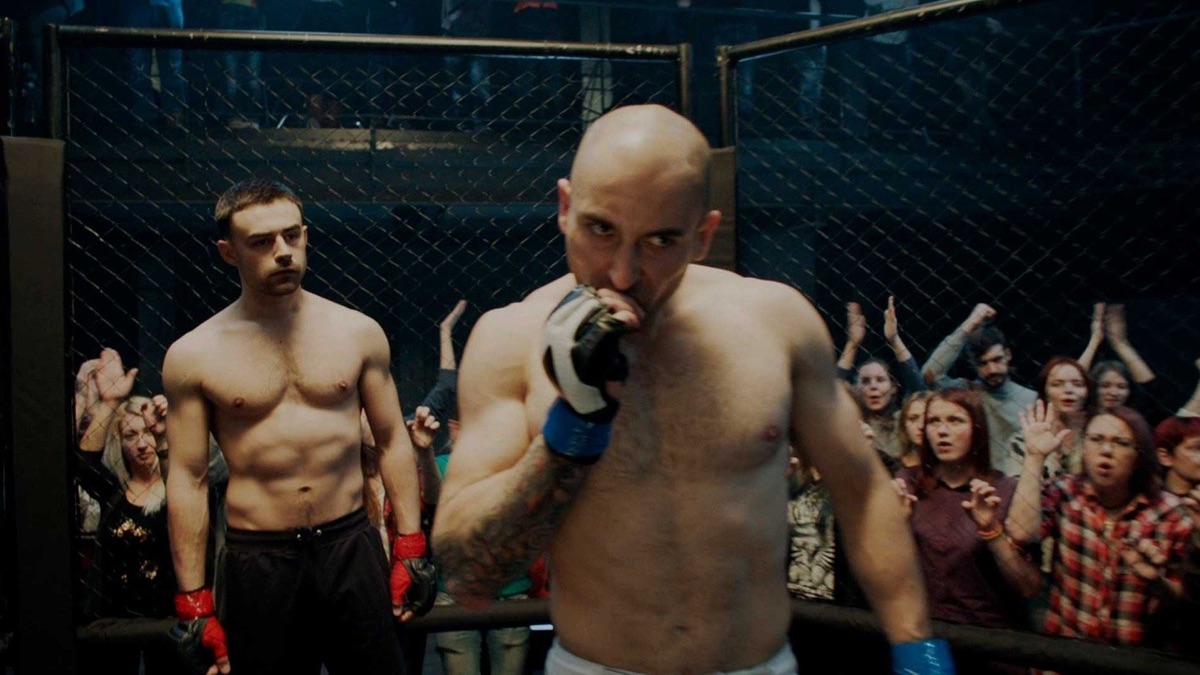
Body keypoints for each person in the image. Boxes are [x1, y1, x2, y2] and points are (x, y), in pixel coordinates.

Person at [431, 104, 951, 674]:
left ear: (703, 235)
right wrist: (573, 427)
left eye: (660, 240)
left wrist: (919, 654)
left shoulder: (777, 322)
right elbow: (467, 573)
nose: (623, 273)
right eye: (601, 230)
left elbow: (863, 492)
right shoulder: (510, 339)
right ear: (564, 208)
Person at [163, 178, 435, 675]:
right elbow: (188, 477)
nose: (283, 251)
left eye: (291, 235)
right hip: (259, 557)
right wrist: (193, 600)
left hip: (350, 544)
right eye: (262, 242)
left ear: (306, 236)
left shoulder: (357, 332)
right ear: (229, 253)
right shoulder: (194, 355)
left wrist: (411, 546)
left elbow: (392, 439)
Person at [1006, 404, 1193, 647]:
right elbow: (1020, 532)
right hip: (1066, 651)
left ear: (1139, 455)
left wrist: (1157, 582)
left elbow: (1186, 601)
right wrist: (1034, 456)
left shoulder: (1170, 513)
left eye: (1121, 443)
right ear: (1083, 448)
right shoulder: (1065, 492)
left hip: (1136, 656)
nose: (1106, 450)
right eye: (1096, 439)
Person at [892, 389, 1039, 674]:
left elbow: (1029, 586)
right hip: (927, 639)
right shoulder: (908, 483)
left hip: (989, 643)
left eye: (955, 420)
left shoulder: (1004, 489)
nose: (942, 431)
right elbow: (889, 573)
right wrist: (897, 526)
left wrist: (991, 531)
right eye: (933, 421)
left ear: (977, 428)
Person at [923, 303, 1038, 470]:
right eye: (983, 363)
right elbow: (930, 374)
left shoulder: (1032, 399)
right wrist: (970, 323)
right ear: (973, 365)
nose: (992, 370)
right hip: (975, 477)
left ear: (1008, 355)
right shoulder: (967, 393)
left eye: (997, 360)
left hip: (1018, 479)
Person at [837, 296, 925, 458]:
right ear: (856, 389)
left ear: (893, 387)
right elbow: (833, 391)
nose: (873, 386)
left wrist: (894, 339)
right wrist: (852, 343)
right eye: (865, 381)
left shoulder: (903, 420)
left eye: (880, 380)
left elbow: (918, 390)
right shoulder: (853, 423)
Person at [1005, 356, 1091, 478]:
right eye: (1057, 384)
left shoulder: (1097, 436)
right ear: (1044, 392)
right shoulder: (1024, 440)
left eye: (1077, 384)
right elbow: (1016, 486)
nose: (1068, 390)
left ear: (1087, 392)